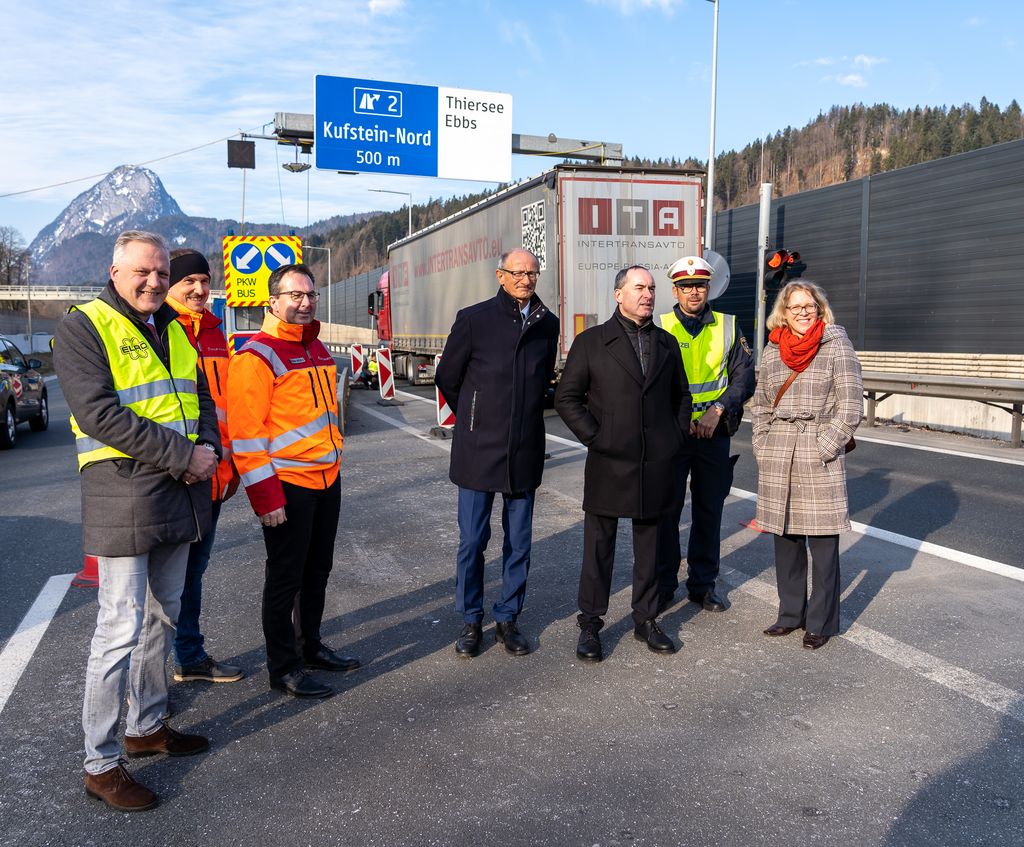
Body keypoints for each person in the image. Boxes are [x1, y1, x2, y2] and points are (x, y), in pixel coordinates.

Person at [54, 230, 220, 812]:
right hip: (123, 493)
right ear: (115, 271)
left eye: (159, 273)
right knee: (119, 628)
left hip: (177, 490)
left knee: (160, 620)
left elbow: (200, 401)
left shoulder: (172, 329)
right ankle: (100, 764)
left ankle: (147, 727)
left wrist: (208, 451)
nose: (152, 282)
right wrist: (186, 456)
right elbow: (98, 414)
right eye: (141, 272)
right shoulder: (84, 325)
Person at [228, 263, 358, 698]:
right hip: (286, 485)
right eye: (295, 296)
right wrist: (266, 499)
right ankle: (282, 668)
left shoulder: (316, 347)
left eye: (310, 295)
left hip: (326, 478)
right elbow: (246, 436)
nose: (305, 303)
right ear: (273, 302)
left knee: (318, 570)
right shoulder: (255, 356)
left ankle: (311, 647)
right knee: (285, 578)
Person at [555, 265, 691, 662]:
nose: (648, 294)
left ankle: (646, 619)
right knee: (600, 546)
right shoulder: (592, 342)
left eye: (651, 288)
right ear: (618, 294)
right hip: (610, 461)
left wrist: (675, 436)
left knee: (650, 545)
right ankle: (591, 623)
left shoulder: (666, 343)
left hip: (656, 463)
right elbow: (567, 398)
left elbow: (681, 397)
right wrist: (597, 437)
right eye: (639, 288)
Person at [434, 247, 559, 657]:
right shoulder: (474, 319)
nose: (526, 279)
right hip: (477, 449)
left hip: (524, 449)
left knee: (519, 543)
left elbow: (541, 381)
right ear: (500, 275)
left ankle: (508, 618)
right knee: (472, 541)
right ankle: (471, 620)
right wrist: (474, 417)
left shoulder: (547, 324)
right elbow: (447, 377)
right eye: (517, 272)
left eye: (532, 273)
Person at [750, 280, 863, 650]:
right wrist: (762, 444)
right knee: (786, 539)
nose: (802, 312)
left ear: (820, 309)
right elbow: (762, 403)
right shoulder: (772, 350)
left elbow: (850, 407)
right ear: (782, 313)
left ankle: (821, 622)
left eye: (809, 306)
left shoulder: (836, 345)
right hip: (779, 449)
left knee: (824, 543)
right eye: (795, 307)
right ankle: (790, 614)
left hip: (817, 449)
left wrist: (824, 446)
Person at [655, 255, 755, 614]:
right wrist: (680, 418)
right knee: (666, 512)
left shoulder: (729, 326)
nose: (693, 292)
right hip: (674, 433)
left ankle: (702, 585)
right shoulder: (660, 325)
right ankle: (665, 584)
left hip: (715, 431)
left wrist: (718, 410)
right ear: (675, 290)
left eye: (699, 285)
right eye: (686, 286)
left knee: (709, 510)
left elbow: (745, 377)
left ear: (708, 287)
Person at [165, 249, 243, 684]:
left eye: (204, 280)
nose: (198, 289)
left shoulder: (216, 332)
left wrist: (229, 466)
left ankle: (189, 656)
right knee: (165, 581)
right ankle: (158, 672)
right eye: (188, 281)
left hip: (215, 476)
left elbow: (226, 404)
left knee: (193, 571)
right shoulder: (158, 325)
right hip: (174, 476)